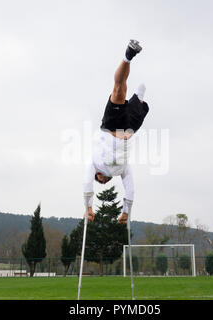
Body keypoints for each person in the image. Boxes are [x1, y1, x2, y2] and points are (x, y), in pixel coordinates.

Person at [83, 40, 149, 225]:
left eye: (101, 181)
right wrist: (126, 212)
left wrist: (89, 208)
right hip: (129, 130)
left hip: (112, 126)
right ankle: (138, 98)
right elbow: (130, 189)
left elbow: (87, 185)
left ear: (98, 176)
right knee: (140, 105)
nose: (105, 181)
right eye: (105, 182)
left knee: (119, 89)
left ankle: (128, 55)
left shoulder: (94, 164)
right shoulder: (122, 170)